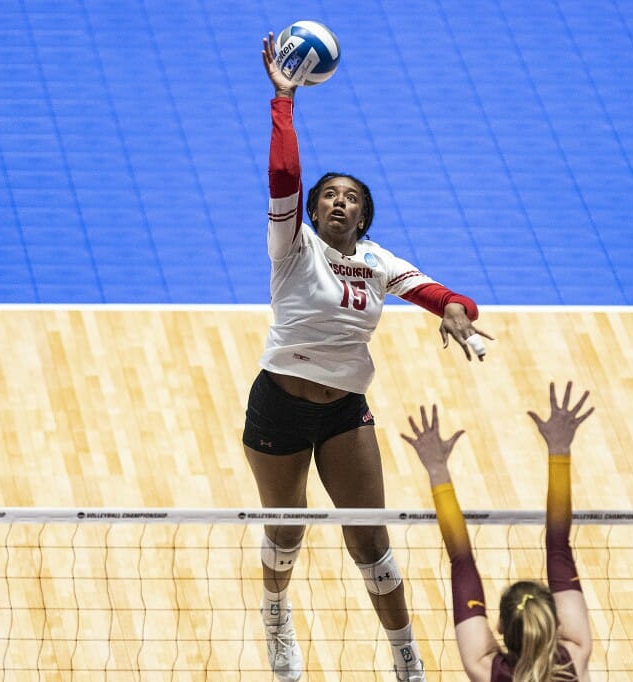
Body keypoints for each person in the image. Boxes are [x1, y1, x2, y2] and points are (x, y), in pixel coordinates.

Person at [245, 33, 493, 682]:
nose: (336, 201)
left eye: (349, 197)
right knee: (288, 532)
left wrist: (458, 313)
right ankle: (276, 616)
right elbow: (282, 176)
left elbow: (441, 294)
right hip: (279, 405)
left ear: (363, 216)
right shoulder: (292, 246)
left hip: (344, 412)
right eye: (328, 194)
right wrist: (283, 102)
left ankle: (405, 657)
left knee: (371, 542)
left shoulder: (379, 263)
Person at [400, 382, 595, 682]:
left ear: (500, 627)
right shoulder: (575, 655)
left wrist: (437, 469)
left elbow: (461, 560)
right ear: (556, 622)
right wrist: (560, 449)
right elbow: (558, 544)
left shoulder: (485, 668)